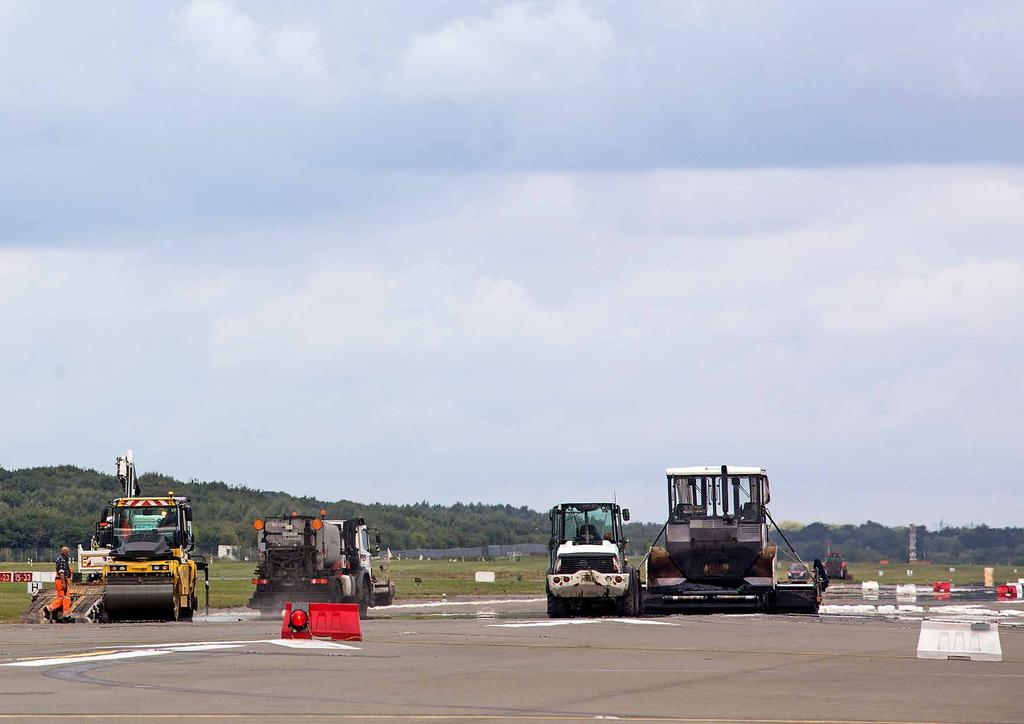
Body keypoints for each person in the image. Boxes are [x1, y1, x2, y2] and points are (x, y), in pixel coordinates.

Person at [45, 546, 73, 622]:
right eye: (68, 552)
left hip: (58, 580)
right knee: (66, 597)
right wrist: (64, 583)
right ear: (66, 553)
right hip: (62, 580)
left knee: (61, 597)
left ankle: (49, 608)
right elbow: (61, 572)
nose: (69, 554)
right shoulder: (62, 560)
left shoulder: (59, 559)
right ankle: (65, 614)